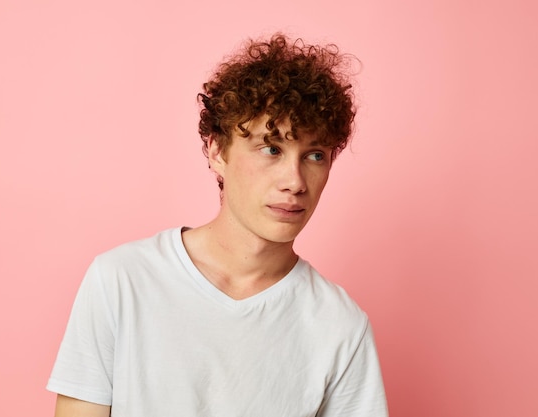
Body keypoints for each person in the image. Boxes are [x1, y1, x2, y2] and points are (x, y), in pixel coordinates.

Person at [47, 33, 388, 417]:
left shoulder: (340, 325)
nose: (294, 181)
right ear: (216, 151)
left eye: (314, 155)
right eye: (271, 149)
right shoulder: (121, 280)